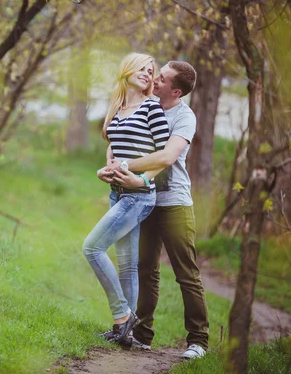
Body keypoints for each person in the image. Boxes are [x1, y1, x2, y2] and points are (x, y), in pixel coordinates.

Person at [102, 61, 209, 359]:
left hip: (174, 202)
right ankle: (141, 334)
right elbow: (119, 137)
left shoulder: (184, 117)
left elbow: (167, 156)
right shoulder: (145, 104)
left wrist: (124, 166)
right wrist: (113, 159)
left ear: (176, 91)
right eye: (156, 74)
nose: (154, 79)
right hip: (143, 199)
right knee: (145, 269)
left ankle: (198, 341)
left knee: (186, 273)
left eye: (161, 78)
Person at [83, 52, 169, 344]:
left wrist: (143, 178)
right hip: (117, 194)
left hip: (139, 196)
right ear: (127, 70)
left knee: (92, 248)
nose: (147, 74)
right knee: (127, 265)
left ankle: (123, 315)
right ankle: (125, 333)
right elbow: (115, 154)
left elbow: (163, 156)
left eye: (151, 71)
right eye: (142, 69)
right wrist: (102, 172)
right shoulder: (117, 109)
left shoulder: (151, 108)